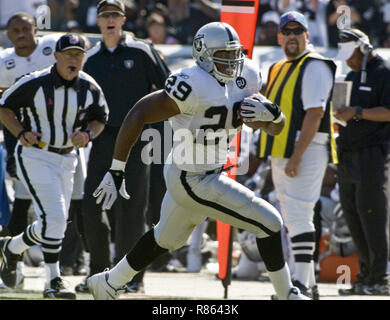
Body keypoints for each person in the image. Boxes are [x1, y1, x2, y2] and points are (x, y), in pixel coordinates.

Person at [86, 21, 309, 300]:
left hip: (207, 172)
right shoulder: (190, 84)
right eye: (223, 56)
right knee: (270, 222)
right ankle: (286, 294)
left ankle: (106, 283)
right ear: (203, 55)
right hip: (192, 177)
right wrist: (117, 169)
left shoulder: (246, 76)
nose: (232, 62)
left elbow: (274, 127)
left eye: (234, 54)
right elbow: (138, 114)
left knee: (166, 238)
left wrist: (273, 116)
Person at [0, 33, 108, 299]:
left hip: (69, 158)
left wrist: (88, 135)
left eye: (78, 54)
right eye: (69, 54)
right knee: (56, 218)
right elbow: (3, 107)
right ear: (56, 56)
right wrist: (21, 132)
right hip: (36, 155)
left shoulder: (89, 86)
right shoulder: (35, 82)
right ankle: (53, 281)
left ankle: (12, 248)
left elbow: (101, 118)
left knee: (55, 221)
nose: (74, 59)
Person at [75, 0, 170, 294]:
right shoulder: (91, 58)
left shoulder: (142, 51)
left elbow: (169, 87)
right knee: (92, 204)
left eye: (115, 14)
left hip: (138, 139)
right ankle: (99, 271)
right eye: (105, 15)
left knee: (132, 208)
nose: (110, 19)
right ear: (99, 22)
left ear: (124, 19)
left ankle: (131, 277)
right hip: (102, 138)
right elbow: (82, 99)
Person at [258, 11, 337, 299]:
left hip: (307, 147)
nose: (292, 36)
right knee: (292, 217)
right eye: (286, 31)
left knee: (300, 214)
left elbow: (315, 114)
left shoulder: (314, 65)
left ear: (307, 34)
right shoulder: (278, 66)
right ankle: (309, 285)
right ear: (279, 36)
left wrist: (297, 155)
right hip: (283, 150)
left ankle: (300, 285)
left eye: (297, 31)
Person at [0, 12, 62, 288]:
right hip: (22, 137)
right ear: (8, 34)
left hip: (59, 135)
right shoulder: (4, 62)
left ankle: (71, 260)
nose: (22, 34)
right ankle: (19, 265)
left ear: (36, 29)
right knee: (25, 201)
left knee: (65, 203)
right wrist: (19, 133)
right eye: (16, 30)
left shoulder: (52, 48)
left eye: (27, 29)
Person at [334, 28, 390, 296]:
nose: (346, 59)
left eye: (349, 52)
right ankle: (366, 276)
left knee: (373, 217)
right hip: (347, 155)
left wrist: (357, 112)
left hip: (374, 155)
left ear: (363, 48)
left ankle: (380, 278)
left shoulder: (383, 71)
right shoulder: (350, 75)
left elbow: (388, 111)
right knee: (354, 218)